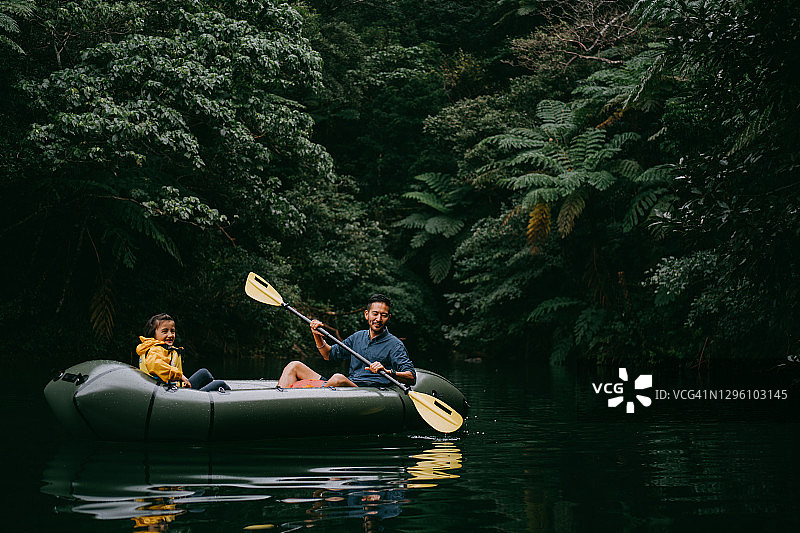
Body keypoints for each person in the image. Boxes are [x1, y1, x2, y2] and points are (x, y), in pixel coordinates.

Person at [278, 294, 416, 388]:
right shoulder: (358, 337)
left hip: (367, 392)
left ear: (388, 317)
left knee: (338, 378)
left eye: (383, 315)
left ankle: (306, 398)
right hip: (347, 386)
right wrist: (317, 335)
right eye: (375, 314)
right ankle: (279, 405)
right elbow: (329, 355)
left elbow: (411, 377)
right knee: (294, 366)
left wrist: (387, 371)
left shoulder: (395, 345)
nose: (378, 319)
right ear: (367, 315)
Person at [136, 313, 230, 392]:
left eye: (172, 331)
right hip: (168, 394)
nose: (170, 335)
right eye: (165, 331)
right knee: (220, 384)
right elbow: (154, 365)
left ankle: (208, 395)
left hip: (174, 389)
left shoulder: (160, 348)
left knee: (204, 373)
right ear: (153, 334)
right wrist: (180, 375)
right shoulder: (156, 349)